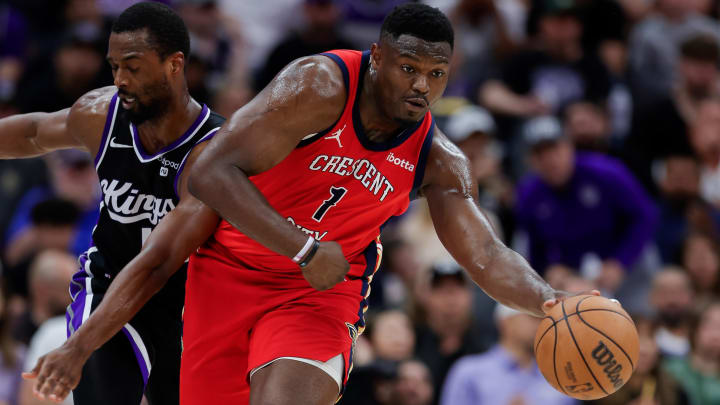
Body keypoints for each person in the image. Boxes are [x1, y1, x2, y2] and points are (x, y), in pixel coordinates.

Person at [183, 4, 578, 404]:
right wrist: (302, 249)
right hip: (230, 271)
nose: (422, 85)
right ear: (376, 57)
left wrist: (550, 300)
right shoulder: (318, 86)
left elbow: (487, 255)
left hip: (319, 293)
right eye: (409, 68)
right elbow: (210, 173)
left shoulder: (440, 163)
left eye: (436, 74)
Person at [0, 3, 225, 404]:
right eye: (114, 66)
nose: (120, 79)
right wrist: (82, 344)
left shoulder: (213, 151)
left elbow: (157, 266)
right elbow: (35, 132)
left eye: (133, 67)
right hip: (108, 288)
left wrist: (76, 347)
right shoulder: (101, 114)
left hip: (187, 304)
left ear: (175, 65)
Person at [440, 304, 577, 405]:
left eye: (543, 318)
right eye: (531, 316)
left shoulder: (559, 379)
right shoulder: (469, 371)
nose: (541, 323)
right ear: (505, 322)